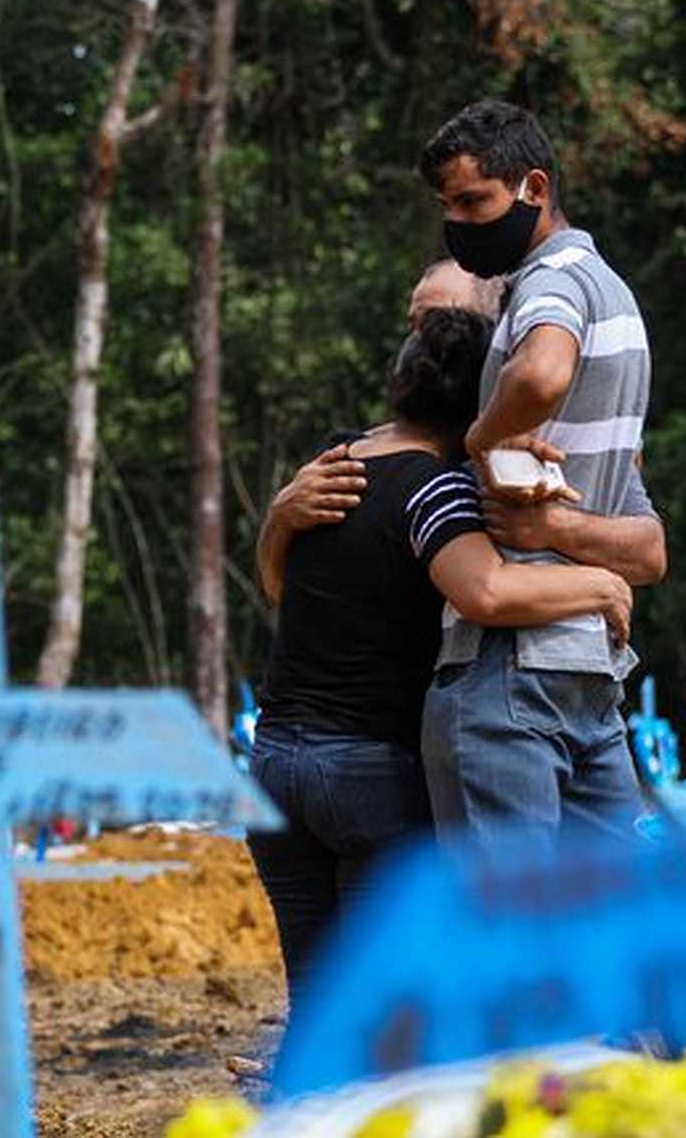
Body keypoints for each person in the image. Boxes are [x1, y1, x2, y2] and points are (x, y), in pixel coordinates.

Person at [246, 305, 633, 1009]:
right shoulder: (435, 487)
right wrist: (599, 584)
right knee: (384, 1004)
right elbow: (486, 588)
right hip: (363, 768)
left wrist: (277, 514)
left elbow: (279, 586)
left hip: (274, 760)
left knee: (319, 1004)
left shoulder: (336, 464)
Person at [416, 99, 657, 853]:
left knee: (509, 943)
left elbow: (544, 371)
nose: (458, 223)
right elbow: (648, 548)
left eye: (473, 202)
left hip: (509, 674)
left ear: (534, 188)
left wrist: (484, 435)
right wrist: (560, 527)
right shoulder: (615, 295)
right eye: (448, 206)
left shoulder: (548, 283)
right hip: (588, 676)